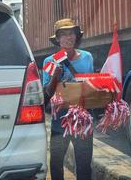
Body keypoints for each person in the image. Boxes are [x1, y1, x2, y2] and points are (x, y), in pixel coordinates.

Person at [43, 18, 94, 180]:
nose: (68, 37)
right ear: (57, 39)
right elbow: (47, 95)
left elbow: (91, 85)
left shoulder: (87, 57)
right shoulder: (49, 61)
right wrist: (55, 78)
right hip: (60, 122)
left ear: (76, 36)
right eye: (63, 34)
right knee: (56, 163)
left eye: (71, 33)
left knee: (84, 164)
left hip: (83, 121)